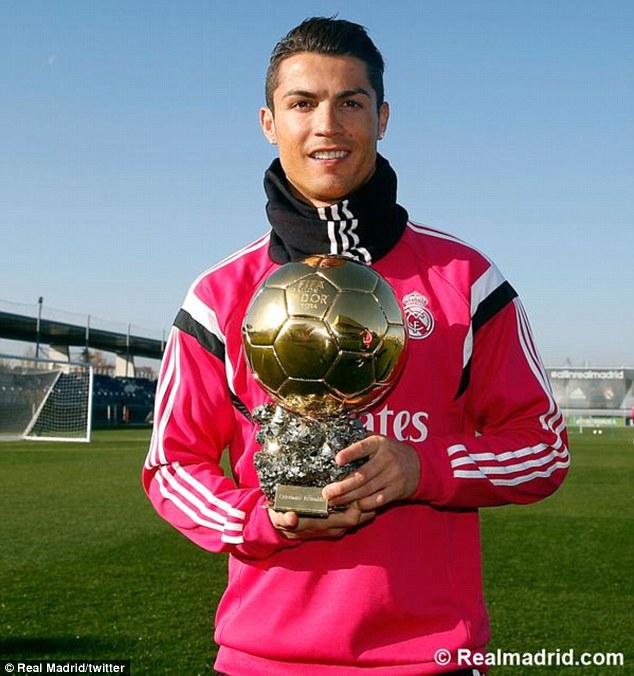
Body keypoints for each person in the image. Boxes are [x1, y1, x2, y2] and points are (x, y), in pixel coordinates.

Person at [142, 17, 570, 675]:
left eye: (351, 102)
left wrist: (424, 468)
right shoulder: (218, 296)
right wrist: (262, 519)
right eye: (302, 102)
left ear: (382, 117)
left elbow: (542, 448)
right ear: (268, 121)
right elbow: (172, 466)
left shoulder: (466, 281)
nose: (328, 124)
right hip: (264, 660)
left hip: (432, 661)